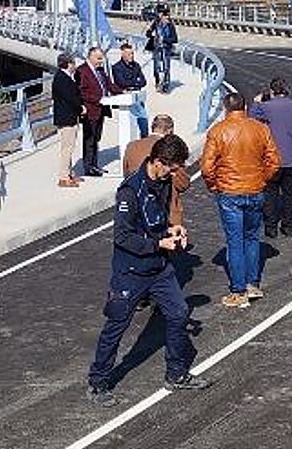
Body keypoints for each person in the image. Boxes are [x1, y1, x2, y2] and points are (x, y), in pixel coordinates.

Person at [87, 134, 210, 405]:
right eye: (173, 168)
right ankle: (98, 381)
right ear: (158, 162)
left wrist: (172, 229)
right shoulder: (130, 191)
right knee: (117, 326)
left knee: (178, 313)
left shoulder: (164, 183)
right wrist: (159, 242)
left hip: (159, 267)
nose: (175, 173)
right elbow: (122, 236)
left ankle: (176, 373)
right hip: (130, 271)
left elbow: (157, 219)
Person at [201, 92, 280, 309]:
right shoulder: (260, 129)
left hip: (230, 192)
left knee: (234, 241)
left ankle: (238, 290)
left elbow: (207, 166)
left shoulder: (218, 131)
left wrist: (215, 185)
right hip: (255, 189)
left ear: (226, 108)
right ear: (244, 107)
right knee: (252, 237)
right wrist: (261, 178)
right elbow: (274, 160)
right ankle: (252, 283)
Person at [250, 77, 292, 238]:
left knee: (270, 193)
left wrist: (257, 102)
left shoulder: (266, 107)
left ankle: (271, 227)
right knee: (290, 194)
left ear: (272, 91)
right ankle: (288, 226)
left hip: (271, 158)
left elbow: (252, 118)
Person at [123, 114, 190, 227]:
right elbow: (182, 184)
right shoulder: (172, 151)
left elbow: (127, 174)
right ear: (170, 130)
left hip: (138, 210)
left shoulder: (132, 146)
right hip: (166, 212)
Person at [76, 46, 121, 177]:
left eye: (102, 58)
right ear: (90, 57)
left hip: (101, 110)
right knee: (89, 140)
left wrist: (122, 91)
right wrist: (99, 99)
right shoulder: (82, 71)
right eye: (99, 58)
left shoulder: (100, 70)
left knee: (96, 138)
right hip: (90, 110)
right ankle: (88, 167)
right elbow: (82, 92)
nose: (101, 61)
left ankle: (95, 165)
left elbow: (109, 85)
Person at [52, 52, 85, 188]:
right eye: (73, 63)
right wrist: (81, 108)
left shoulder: (65, 77)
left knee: (69, 147)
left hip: (69, 117)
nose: (75, 66)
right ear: (68, 64)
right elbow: (70, 98)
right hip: (66, 118)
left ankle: (69, 173)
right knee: (67, 148)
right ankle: (63, 177)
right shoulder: (61, 78)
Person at [112, 41, 149, 138]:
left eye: (132, 53)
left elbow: (144, 81)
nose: (131, 56)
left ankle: (144, 140)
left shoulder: (136, 65)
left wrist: (132, 83)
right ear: (122, 54)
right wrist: (136, 82)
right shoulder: (117, 67)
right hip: (126, 98)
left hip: (137, 97)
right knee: (130, 125)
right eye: (129, 54)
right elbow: (121, 82)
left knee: (143, 120)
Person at [146, 8, 178, 93]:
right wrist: (150, 33)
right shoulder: (156, 23)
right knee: (157, 68)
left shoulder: (171, 26)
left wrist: (165, 39)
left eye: (168, 16)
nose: (167, 18)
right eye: (165, 16)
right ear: (162, 16)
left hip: (166, 49)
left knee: (166, 67)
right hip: (156, 49)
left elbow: (175, 39)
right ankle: (158, 82)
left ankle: (165, 86)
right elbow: (148, 33)